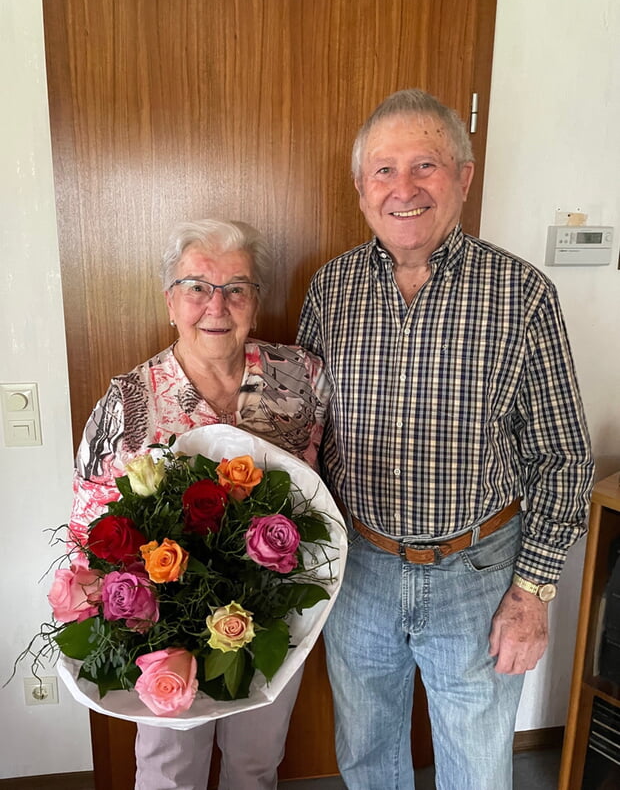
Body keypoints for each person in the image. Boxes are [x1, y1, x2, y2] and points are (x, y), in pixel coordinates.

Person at [297, 89, 594, 789]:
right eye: (383, 170)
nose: (404, 188)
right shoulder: (330, 290)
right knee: (368, 756)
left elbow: (563, 456)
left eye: (426, 164)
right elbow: (303, 432)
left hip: (481, 576)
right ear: (362, 189)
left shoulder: (522, 295)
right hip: (360, 571)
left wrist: (533, 592)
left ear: (463, 176)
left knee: (476, 767)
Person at [70, 218, 330, 790]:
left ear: (256, 302)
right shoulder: (130, 401)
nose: (218, 305)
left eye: (237, 287)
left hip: (273, 614)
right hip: (168, 628)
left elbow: (328, 489)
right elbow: (88, 525)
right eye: (197, 287)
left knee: (258, 762)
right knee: (169, 769)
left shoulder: (301, 377)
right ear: (170, 301)